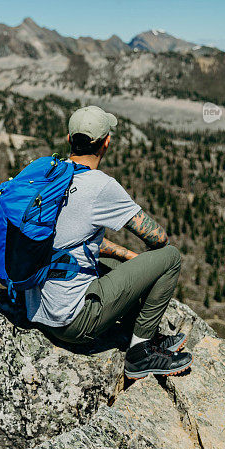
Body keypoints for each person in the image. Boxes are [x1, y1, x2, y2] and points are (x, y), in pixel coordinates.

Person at [25, 105, 192, 379]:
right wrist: (148, 264)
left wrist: (127, 256)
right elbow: (158, 238)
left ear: (69, 140)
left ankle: (134, 330)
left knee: (111, 262)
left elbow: (74, 241)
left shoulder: (50, 177)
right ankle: (140, 352)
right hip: (72, 322)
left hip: (38, 309)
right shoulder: (101, 186)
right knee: (171, 257)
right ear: (106, 143)